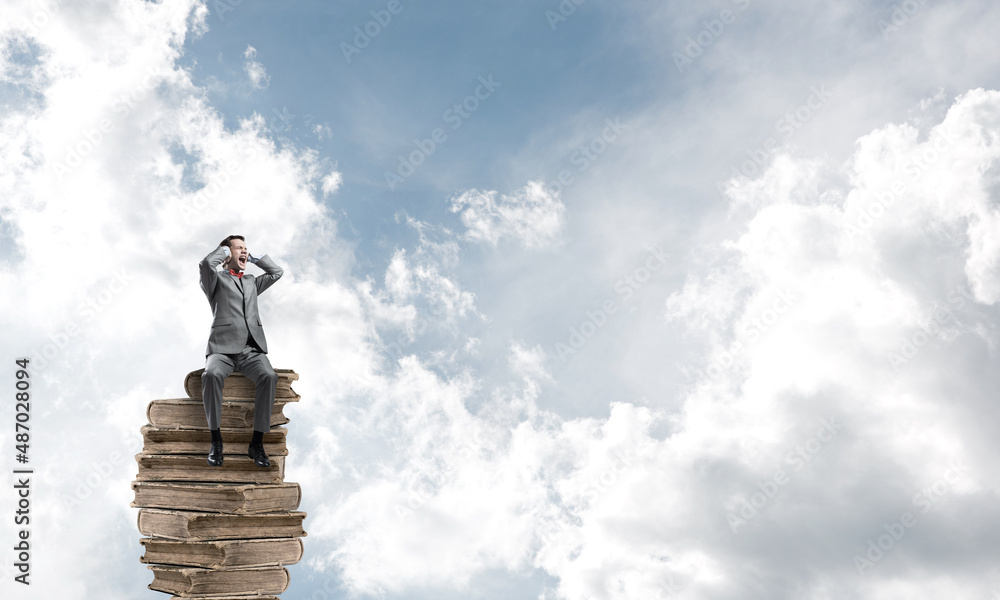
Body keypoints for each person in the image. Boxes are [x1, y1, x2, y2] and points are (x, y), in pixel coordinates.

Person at [199, 235, 283, 468]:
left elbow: (277, 273)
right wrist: (224, 249)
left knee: (269, 376)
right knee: (211, 375)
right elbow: (205, 265)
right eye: (239, 248)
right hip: (222, 349)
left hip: (250, 349)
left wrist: (255, 259)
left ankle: (256, 443)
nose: (244, 251)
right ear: (228, 255)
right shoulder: (215, 280)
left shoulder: (251, 282)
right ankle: (216, 440)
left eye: (246, 248)